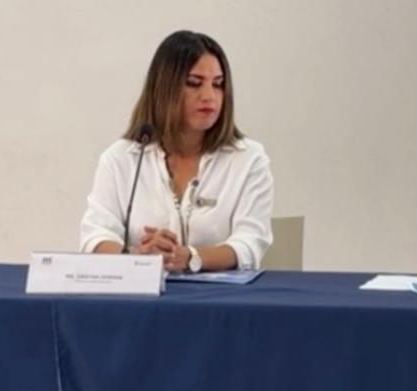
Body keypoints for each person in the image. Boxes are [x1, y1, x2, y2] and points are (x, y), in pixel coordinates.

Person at [80, 31, 274, 272]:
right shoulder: (120, 159)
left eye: (218, 84)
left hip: (220, 295)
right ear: (164, 88)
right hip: (144, 292)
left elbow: (249, 244)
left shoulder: (249, 159)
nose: (209, 96)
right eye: (194, 83)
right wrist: (138, 256)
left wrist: (191, 257)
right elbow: (95, 237)